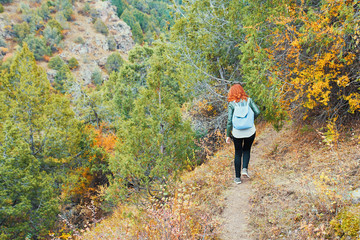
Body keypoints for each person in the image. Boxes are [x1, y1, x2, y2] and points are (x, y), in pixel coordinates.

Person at [225, 83, 260, 184]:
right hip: (250, 131)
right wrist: (250, 120)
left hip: (237, 133)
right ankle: (244, 169)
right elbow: (257, 112)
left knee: (238, 153)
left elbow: (229, 121)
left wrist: (228, 135)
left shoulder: (232, 104)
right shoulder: (249, 100)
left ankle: (237, 178)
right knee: (247, 149)